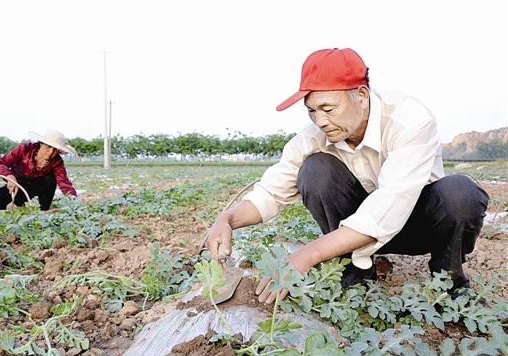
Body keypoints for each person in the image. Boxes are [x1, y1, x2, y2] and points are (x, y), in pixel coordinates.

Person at [206, 48, 489, 304]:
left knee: (461, 194)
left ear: (361, 96)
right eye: (312, 111)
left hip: (418, 227)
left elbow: (390, 206)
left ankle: (449, 280)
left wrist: (308, 254)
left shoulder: (409, 120)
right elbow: (269, 193)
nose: (320, 121)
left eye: (328, 109)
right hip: (353, 233)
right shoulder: (314, 138)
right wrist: (227, 219)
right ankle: (354, 276)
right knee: (316, 170)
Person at [0, 130, 78, 211]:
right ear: (41, 144)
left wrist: (73, 201)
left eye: (55, 150)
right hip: (17, 188)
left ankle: (43, 210)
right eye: (49, 147)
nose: (51, 152)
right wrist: (9, 176)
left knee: (50, 178)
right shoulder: (24, 149)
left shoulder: (57, 161)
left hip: (39, 192)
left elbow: (64, 183)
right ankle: (20, 205)